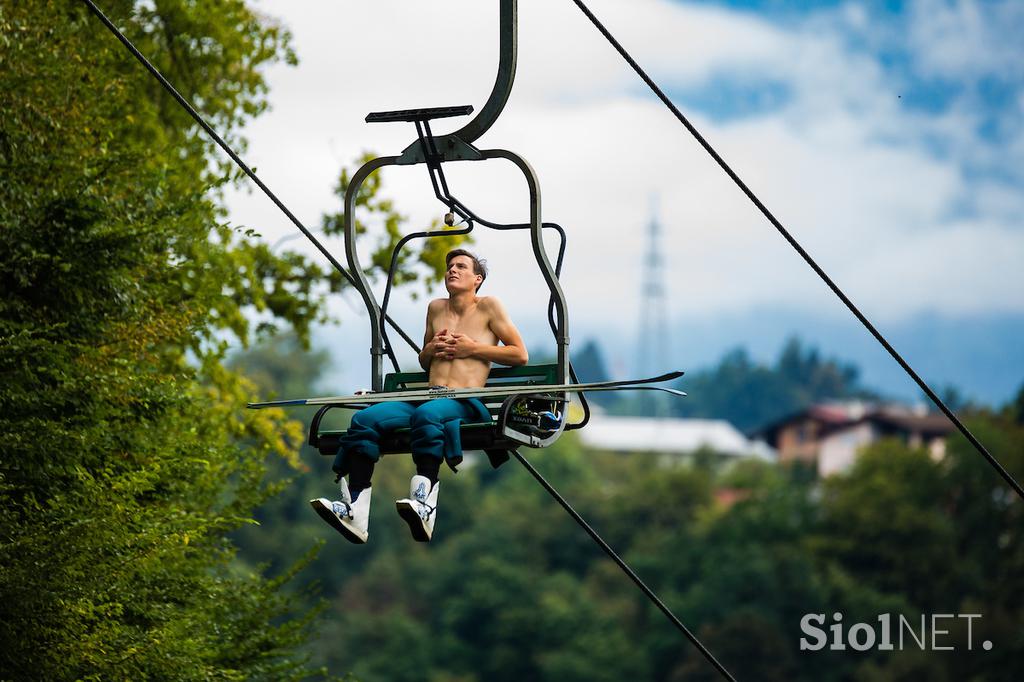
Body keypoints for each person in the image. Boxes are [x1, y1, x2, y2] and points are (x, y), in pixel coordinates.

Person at [311, 249, 528, 543]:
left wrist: (472, 349)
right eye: (450, 266)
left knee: (428, 416)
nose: (452, 270)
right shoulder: (436, 308)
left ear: (477, 279)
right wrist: (430, 350)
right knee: (365, 419)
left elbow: (519, 354)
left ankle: (425, 504)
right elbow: (426, 360)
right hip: (428, 395)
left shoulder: (488, 306)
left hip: (463, 400)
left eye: (461, 266)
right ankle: (355, 510)